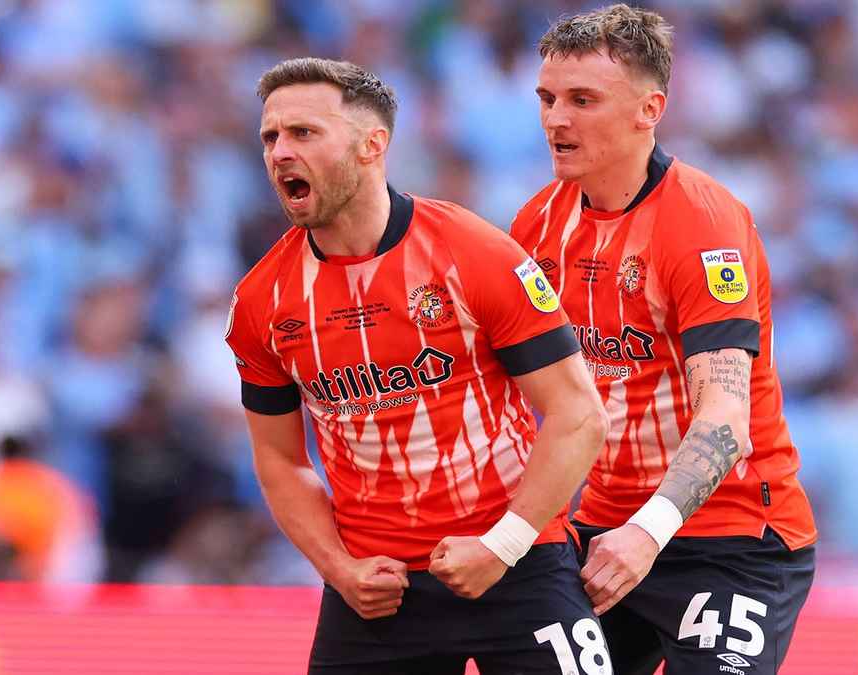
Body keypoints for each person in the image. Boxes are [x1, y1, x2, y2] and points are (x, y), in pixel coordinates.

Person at [226, 57, 612, 675]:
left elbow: (578, 414)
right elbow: (280, 459)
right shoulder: (261, 301)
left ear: (371, 145)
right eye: (270, 137)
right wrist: (339, 569)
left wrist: (501, 546)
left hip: (517, 563)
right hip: (379, 590)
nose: (280, 153)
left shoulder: (474, 253)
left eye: (303, 133)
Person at [510, 6, 817, 674]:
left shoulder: (700, 224)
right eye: (548, 98)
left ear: (649, 109)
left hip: (732, 536)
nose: (556, 119)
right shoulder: (537, 225)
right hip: (600, 529)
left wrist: (646, 534)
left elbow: (725, 417)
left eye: (583, 99)